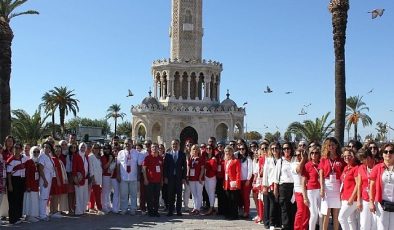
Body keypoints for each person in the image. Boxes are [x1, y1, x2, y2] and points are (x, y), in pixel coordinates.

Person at [319, 137, 344, 230]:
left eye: (333, 145)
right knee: (326, 212)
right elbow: (321, 174)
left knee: (336, 213)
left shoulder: (341, 159)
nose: (331, 147)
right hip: (327, 186)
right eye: (329, 145)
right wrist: (322, 188)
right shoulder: (323, 159)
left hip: (337, 186)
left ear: (336, 145)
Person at [369, 143, 394, 230]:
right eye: (385, 151)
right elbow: (371, 186)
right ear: (382, 154)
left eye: (391, 151)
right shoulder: (377, 168)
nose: (388, 154)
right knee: (382, 227)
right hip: (381, 203)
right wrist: (371, 202)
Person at [116, 139, 143, 215]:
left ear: (132, 144)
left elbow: (139, 164)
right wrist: (118, 175)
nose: (127, 145)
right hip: (123, 177)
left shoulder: (137, 153)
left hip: (133, 177)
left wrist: (138, 175)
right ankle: (124, 209)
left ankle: (133, 209)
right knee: (123, 194)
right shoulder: (120, 153)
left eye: (129, 143)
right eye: (125, 143)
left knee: (133, 194)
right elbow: (118, 164)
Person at [273, 141, 295, 230]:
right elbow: (276, 178)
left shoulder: (295, 160)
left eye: (288, 148)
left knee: (293, 207)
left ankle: (292, 226)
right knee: (284, 208)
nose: (286, 150)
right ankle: (286, 226)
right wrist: (275, 189)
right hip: (284, 187)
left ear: (291, 149)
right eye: (284, 148)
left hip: (294, 186)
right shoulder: (280, 161)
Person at [163, 139, 187, 216]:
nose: (174, 146)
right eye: (173, 144)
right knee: (170, 195)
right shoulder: (168, 154)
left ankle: (178, 211)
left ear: (179, 145)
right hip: (170, 178)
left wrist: (183, 178)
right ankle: (170, 211)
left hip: (179, 178)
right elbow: (165, 167)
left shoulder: (182, 154)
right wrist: (165, 177)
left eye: (176, 144)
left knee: (179, 195)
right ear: (171, 145)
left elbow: (185, 167)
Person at [302, 143, 322, 230]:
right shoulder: (307, 165)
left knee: (322, 214)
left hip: (321, 191)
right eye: (312, 153)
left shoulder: (322, 164)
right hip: (311, 191)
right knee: (314, 214)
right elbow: (303, 183)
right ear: (310, 154)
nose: (314, 154)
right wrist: (305, 197)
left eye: (316, 153)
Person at [6, 142, 27, 224]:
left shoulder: (23, 158)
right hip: (13, 181)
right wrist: (10, 185)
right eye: (15, 148)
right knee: (13, 200)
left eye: (18, 148)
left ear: (21, 149)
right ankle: (13, 219)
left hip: (21, 180)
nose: (17, 149)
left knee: (19, 199)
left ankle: (18, 217)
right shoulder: (11, 160)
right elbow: (8, 174)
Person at [338, 147, 359, 230]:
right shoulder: (346, 168)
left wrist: (352, 197)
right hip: (344, 197)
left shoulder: (356, 168)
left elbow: (358, 184)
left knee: (341, 218)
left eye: (349, 155)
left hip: (351, 199)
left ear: (353, 156)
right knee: (350, 220)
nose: (346, 157)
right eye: (345, 156)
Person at [263, 142, 282, 230]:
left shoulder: (282, 160)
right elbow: (265, 174)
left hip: (280, 184)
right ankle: (271, 223)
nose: (274, 150)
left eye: (276, 148)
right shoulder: (268, 160)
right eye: (272, 148)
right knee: (272, 204)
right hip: (270, 184)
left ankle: (278, 222)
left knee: (279, 204)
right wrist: (265, 186)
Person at [356, 148, 377, 230]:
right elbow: (359, 184)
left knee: (375, 225)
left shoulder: (378, 166)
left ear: (368, 157)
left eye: (362, 159)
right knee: (364, 225)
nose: (361, 162)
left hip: (376, 200)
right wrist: (358, 200)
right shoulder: (361, 167)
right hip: (365, 199)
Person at [142, 143, 163, 217]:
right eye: (153, 147)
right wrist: (145, 179)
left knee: (157, 197)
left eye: (155, 147)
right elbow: (144, 169)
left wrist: (162, 180)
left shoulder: (160, 158)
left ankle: (156, 211)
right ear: (151, 149)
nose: (154, 148)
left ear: (158, 148)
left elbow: (161, 170)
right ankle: (150, 211)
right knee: (149, 197)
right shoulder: (147, 158)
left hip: (158, 181)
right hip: (149, 181)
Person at [38, 142, 56, 221]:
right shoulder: (42, 156)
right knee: (43, 196)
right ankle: (41, 215)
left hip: (49, 178)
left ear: (50, 149)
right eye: (45, 147)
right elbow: (40, 169)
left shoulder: (49, 157)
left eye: (48, 147)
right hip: (44, 179)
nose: (46, 148)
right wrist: (45, 180)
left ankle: (44, 213)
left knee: (46, 196)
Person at [223, 145, 241, 220]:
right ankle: (229, 213)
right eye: (226, 151)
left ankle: (234, 215)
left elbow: (238, 172)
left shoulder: (236, 160)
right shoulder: (226, 161)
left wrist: (237, 183)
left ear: (232, 152)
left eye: (229, 151)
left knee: (234, 200)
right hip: (227, 182)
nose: (227, 153)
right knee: (228, 199)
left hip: (233, 182)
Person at [50, 144, 68, 218]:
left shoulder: (58, 159)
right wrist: (58, 180)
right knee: (55, 196)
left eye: (59, 151)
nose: (58, 152)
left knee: (56, 195)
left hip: (59, 179)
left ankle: (54, 210)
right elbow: (55, 170)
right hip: (55, 180)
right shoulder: (54, 159)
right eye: (56, 151)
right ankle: (53, 211)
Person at [292, 148, 308, 230]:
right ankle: (297, 228)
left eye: (301, 154)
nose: (299, 156)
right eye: (297, 155)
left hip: (308, 191)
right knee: (301, 211)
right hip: (299, 191)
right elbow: (298, 170)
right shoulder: (294, 164)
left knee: (306, 213)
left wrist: (305, 160)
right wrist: (303, 159)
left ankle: (304, 228)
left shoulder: (308, 163)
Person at [23, 146, 40, 222]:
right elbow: (26, 175)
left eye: (38, 152)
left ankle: (33, 215)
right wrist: (28, 186)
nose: (36, 153)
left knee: (34, 200)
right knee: (30, 200)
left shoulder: (37, 162)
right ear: (31, 152)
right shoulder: (29, 162)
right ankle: (29, 215)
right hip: (30, 185)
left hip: (35, 184)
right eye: (34, 152)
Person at [72, 142, 89, 216]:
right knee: (79, 196)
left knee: (85, 195)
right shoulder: (76, 156)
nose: (82, 148)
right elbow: (74, 168)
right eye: (81, 147)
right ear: (79, 147)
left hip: (85, 178)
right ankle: (79, 211)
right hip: (79, 179)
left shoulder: (86, 156)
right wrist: (75, 178)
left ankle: (83, 210)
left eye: (84, 147)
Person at [188, 144, 205, 215]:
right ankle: (195, 208)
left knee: (199, 193)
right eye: (193, 149)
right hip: (192, 178)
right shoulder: (191, 158)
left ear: (198, 150)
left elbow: (202, 169)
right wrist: (187, 177)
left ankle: (198, 208)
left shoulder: (201, 158)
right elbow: (188, 168)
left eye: (196, 149)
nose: (195, 150)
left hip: (199, 179)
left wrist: (200, 177)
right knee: (194, 194)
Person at [238, 142, 253, 218]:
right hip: (239, 180)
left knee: (246, 197)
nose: (241, 150)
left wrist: (248, 180)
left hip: (246, 180)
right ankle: (241, 210)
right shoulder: (238, 158)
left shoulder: (248, 159)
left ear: (246, 150)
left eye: (243, 149)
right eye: (240, 149)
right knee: (240, 197)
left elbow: (250, 170)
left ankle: (246, 211)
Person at [88, 143, 104, 215]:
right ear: (92, 149)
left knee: (94, 193)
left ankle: (91, 207)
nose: (96, 149)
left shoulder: (99, 157)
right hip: (94, 178)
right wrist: (93, 178)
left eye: (98, 148)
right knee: (96, 193)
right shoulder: (90, 156)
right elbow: (91, 168)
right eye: (95, 148)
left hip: (99, 177)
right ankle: (99, 208)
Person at [204, 144, 217, 215]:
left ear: (212, 150)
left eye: (210, 148)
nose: (208, 150)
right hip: (206, 177)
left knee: (211, 193)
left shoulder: (214, 158)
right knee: (208, 193)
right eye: (207, 148)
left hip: (212, 177)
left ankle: (211, 208)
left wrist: (212, 162)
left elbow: (215, 169)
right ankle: (212, 207)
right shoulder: (205, 158)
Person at [101, 143, 113, 213]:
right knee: (105, 192)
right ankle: (104, 206)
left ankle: (108, 205)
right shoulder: (103, 157)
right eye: (105, 148)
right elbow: (104, 167)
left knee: (108, 192)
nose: (107, 150)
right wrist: (109, 161)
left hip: (110, 176)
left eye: (108, 148)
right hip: (105, 176)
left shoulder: (110, 156)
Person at [215, 141, 226, 216]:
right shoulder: (216, 155)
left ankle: (225, 209)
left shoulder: (226, 155)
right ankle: (220, 210)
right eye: (218, 146)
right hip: (218, 177)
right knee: (219, 194)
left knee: (224, 194)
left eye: (221, 146)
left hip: (225, 177)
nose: (220, 147)